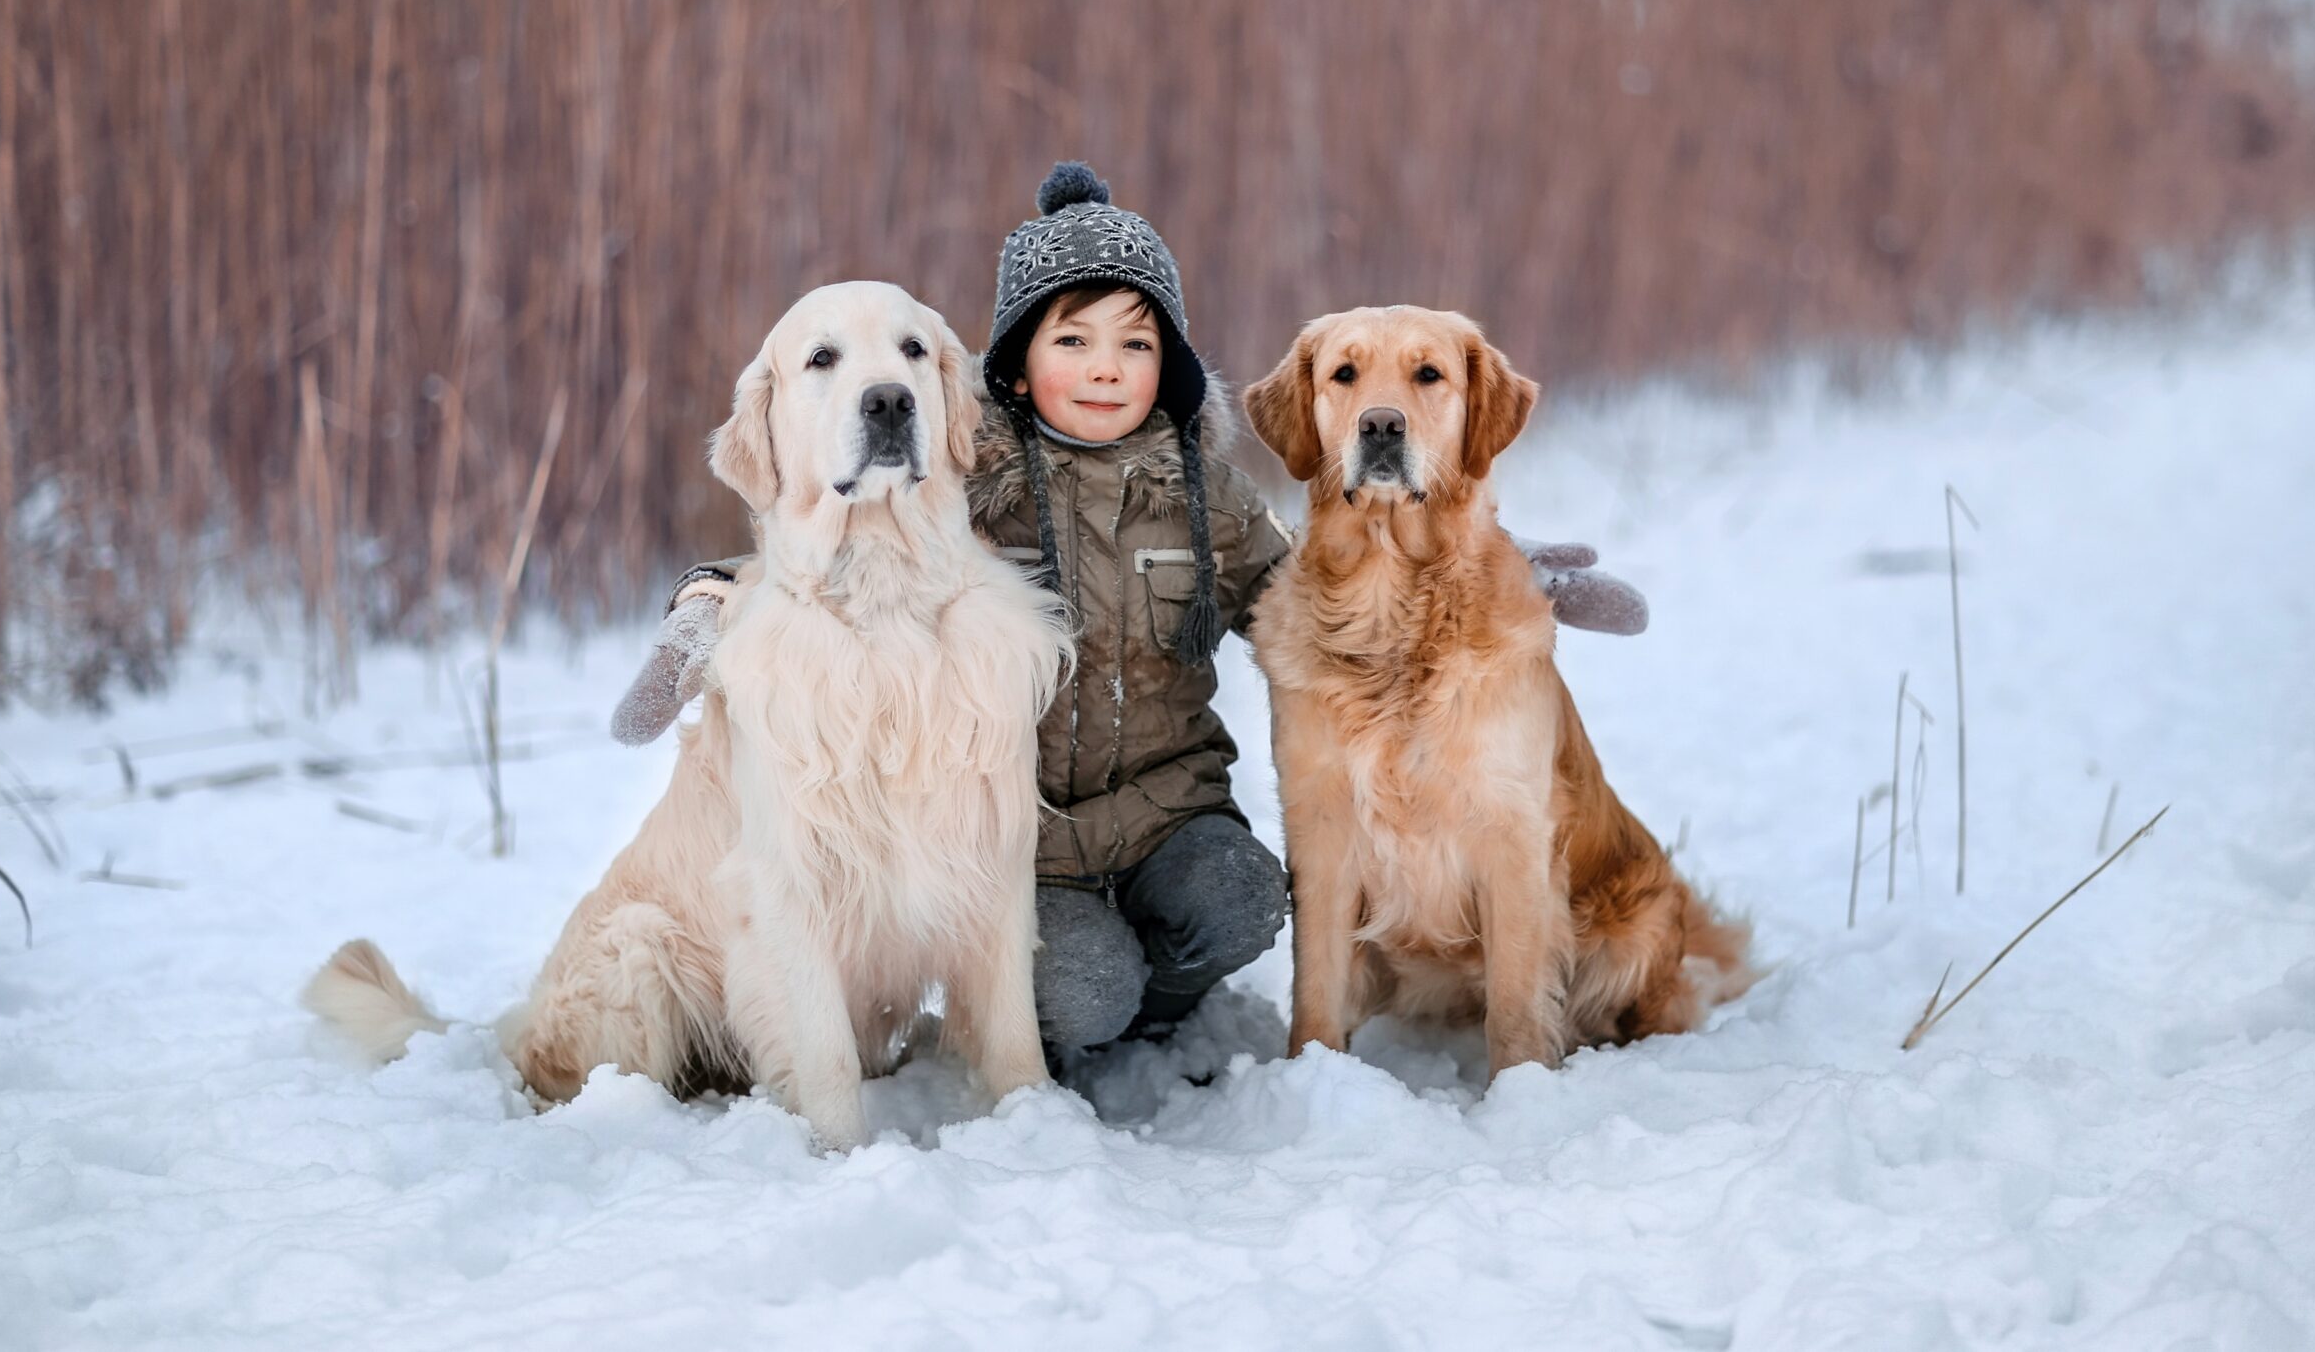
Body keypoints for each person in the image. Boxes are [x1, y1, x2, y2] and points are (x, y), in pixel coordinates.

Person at [610, 162, 1650, 1054]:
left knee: (1241, 898)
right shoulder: (966, 484)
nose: (1106, 367)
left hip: (1167, 816)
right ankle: (1076, 1020)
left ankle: (1159, 1016)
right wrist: (706, 600)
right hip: (1040, 842)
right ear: (1017, 363)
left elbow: (1303, 590)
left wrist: (1490, 573)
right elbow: (821, 547)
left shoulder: (1208, 493)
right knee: (1083, 991)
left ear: (1170, 367)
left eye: (1137, 344)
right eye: (1074, 341)